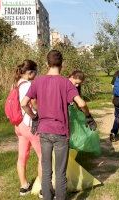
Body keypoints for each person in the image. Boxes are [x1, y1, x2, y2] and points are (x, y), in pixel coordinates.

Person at [21, 50, 96, 200]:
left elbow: (24, 103)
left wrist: (35, 118)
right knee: (60, 172)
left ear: (46, 63)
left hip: (44, 131)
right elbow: (81, 103)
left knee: (46, 170)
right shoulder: (66, 83)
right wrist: (88, 116)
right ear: (62, 64)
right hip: (60, 132)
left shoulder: (38, 81)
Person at [14, 60, 41, 196]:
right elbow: (31, 104)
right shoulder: (29, 85)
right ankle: (43, 189)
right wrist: (36, 115)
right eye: (36, 71)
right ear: (30, 72)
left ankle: (24, 186)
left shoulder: (16, 83)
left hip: (19, 125)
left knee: (22, 156)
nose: (37, 74)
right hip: (30, 125)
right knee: (43, 156)